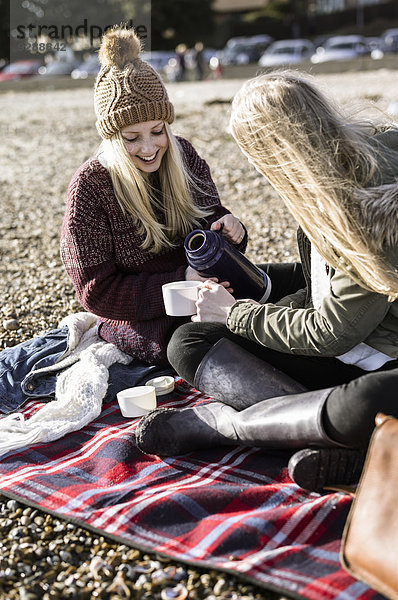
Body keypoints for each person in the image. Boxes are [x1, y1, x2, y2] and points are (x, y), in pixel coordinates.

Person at [136, 70, 398, 492]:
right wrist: (250, 291)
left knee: (367, 405)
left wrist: (239, 314)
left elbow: (334, 331)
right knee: (189, 340)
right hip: (360, 331)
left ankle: (233, 427)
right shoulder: (345, 162)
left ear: (281, 154)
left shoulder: (364, 207)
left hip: (379, 359)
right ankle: (332, 440)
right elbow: (325, 283)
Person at [60, 26, 246, 368]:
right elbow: (96, 293)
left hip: (214, 296)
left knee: (289, 279)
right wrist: (180, 281)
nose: (149, 149)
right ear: (113, 138)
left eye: (158, 131)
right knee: (198, 346)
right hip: (150, 325)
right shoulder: (90, 187)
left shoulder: (183, 155)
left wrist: (232, 231)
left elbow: (212, 224)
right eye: (132, 138)